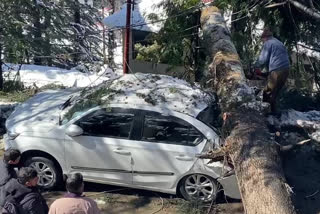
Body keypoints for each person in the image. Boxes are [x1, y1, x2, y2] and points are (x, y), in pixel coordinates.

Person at [254, 27, 290, 113]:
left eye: (262, 40)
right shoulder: (278, 42)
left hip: (277, 70)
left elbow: (262, 60)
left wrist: (255, 67)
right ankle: (274, 113)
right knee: (274, 93)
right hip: (286, 69)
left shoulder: (268, 43)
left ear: (264, 38)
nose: (262, 42)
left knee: (267, 93)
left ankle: (266, 115)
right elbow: (275, 58)